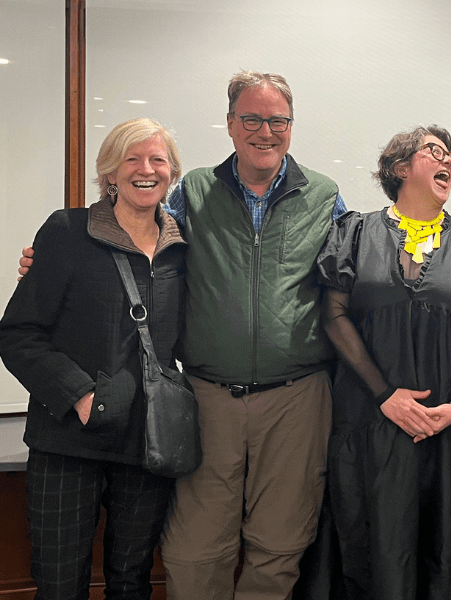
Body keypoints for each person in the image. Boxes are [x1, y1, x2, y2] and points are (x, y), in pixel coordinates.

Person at [16, 71, 347, 599]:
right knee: (194, 549)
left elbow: (357, 273)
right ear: (231, 125)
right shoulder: (192, 191)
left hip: (297, 399)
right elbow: (128, 235)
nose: (266, 131)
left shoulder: (326, 197)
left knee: (280, 544)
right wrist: (51, 252)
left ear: (291, 125)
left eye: (277, 120)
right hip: (206, 396)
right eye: (252, 119)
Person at [0, 118, 186, 599]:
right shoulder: (67, 232)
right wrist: (79, 394)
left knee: (132, 581)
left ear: (172, 173)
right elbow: (19, 333)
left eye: (158, 160)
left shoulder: (182, 249)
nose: (146, 170)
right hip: (68, 442)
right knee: (60, 585)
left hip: (148, 445)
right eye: (132, 159)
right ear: (110, 173)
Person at [316, 125, 451, 599]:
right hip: (370, 423)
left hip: (449, 427)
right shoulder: (354, 232)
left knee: (448, 550)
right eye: (436, 152)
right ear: (400, 168)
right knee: (373, 550)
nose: (450, 163)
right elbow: (334, 316)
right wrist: (385, 396)